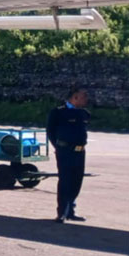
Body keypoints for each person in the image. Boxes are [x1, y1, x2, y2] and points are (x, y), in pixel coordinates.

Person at [47, 87, 90, 223]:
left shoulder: (84, 113)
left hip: (80, 152)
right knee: (65, 181)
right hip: (65, 152)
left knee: (77, 182)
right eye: (84, 97)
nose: (86, 99)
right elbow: (50, 131)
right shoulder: (58, 113)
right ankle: (61, 213)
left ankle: (70, 211)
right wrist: (58, 147)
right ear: (75, 97)